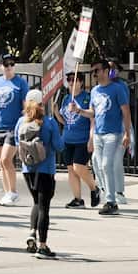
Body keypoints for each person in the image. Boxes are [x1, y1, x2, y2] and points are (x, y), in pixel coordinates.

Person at [73, 58, 132, 216]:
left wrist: (127, 133)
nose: (94, 74)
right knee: (98, 166)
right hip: (99, 134)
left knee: (106, 165)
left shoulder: (117, 89)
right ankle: (109, 197)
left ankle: (111, 201)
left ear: (106, 71)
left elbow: (126, 112)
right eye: (93, 71)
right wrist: (79, 110)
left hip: (113, 134)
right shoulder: (94, 91)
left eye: (97, 70)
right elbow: (93, 113)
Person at [15, 95, 64, 258]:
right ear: (42, 104)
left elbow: (17, 143)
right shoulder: (49, 123)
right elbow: (59, 146)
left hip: (27, 169)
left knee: (36, 201)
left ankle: (32, 232)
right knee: (44, 207)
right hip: (46, 168)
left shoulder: (21, 122)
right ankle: (43, 246)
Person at [0, 54, 29, 206]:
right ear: (0, 66)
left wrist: (24, 122)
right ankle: (7, 192)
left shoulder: (20, 83)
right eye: (6, 64)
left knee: (6, 159)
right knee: (1, 162)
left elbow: (25, 105)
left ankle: (13, 192)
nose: (9, 67)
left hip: (13, 127)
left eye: (11, 64)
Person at [55, 72, 100, 208]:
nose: (71, 83)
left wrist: (91, 139)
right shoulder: (66, 98)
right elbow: (65, 121)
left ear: (81, 82)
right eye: (69, 80)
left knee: (78, 167)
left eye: (74, 80)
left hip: (82, 138)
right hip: (68, 138)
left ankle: (94, 188)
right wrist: (57, 113)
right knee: (71, 170)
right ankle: (77, 199)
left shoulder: (87, 97)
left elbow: (93, 119)